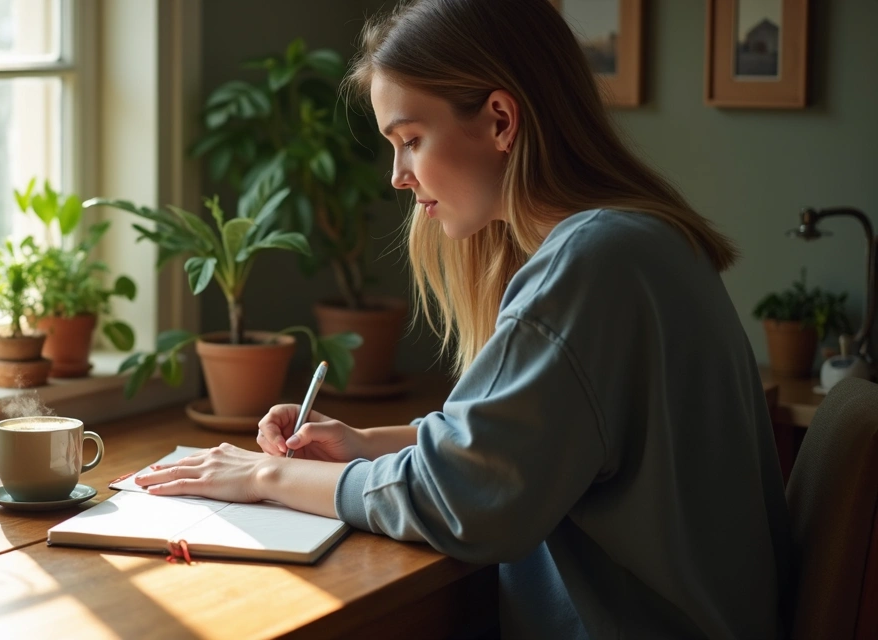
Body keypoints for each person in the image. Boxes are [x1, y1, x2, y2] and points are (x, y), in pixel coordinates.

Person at [134, 0, 793, 636]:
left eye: (411, 140)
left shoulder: (592, 264)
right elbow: (513, 449)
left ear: (501, 120)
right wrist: (367, 445)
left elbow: (464, 504)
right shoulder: (637, 243)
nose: (397, 175)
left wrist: (262, 475)